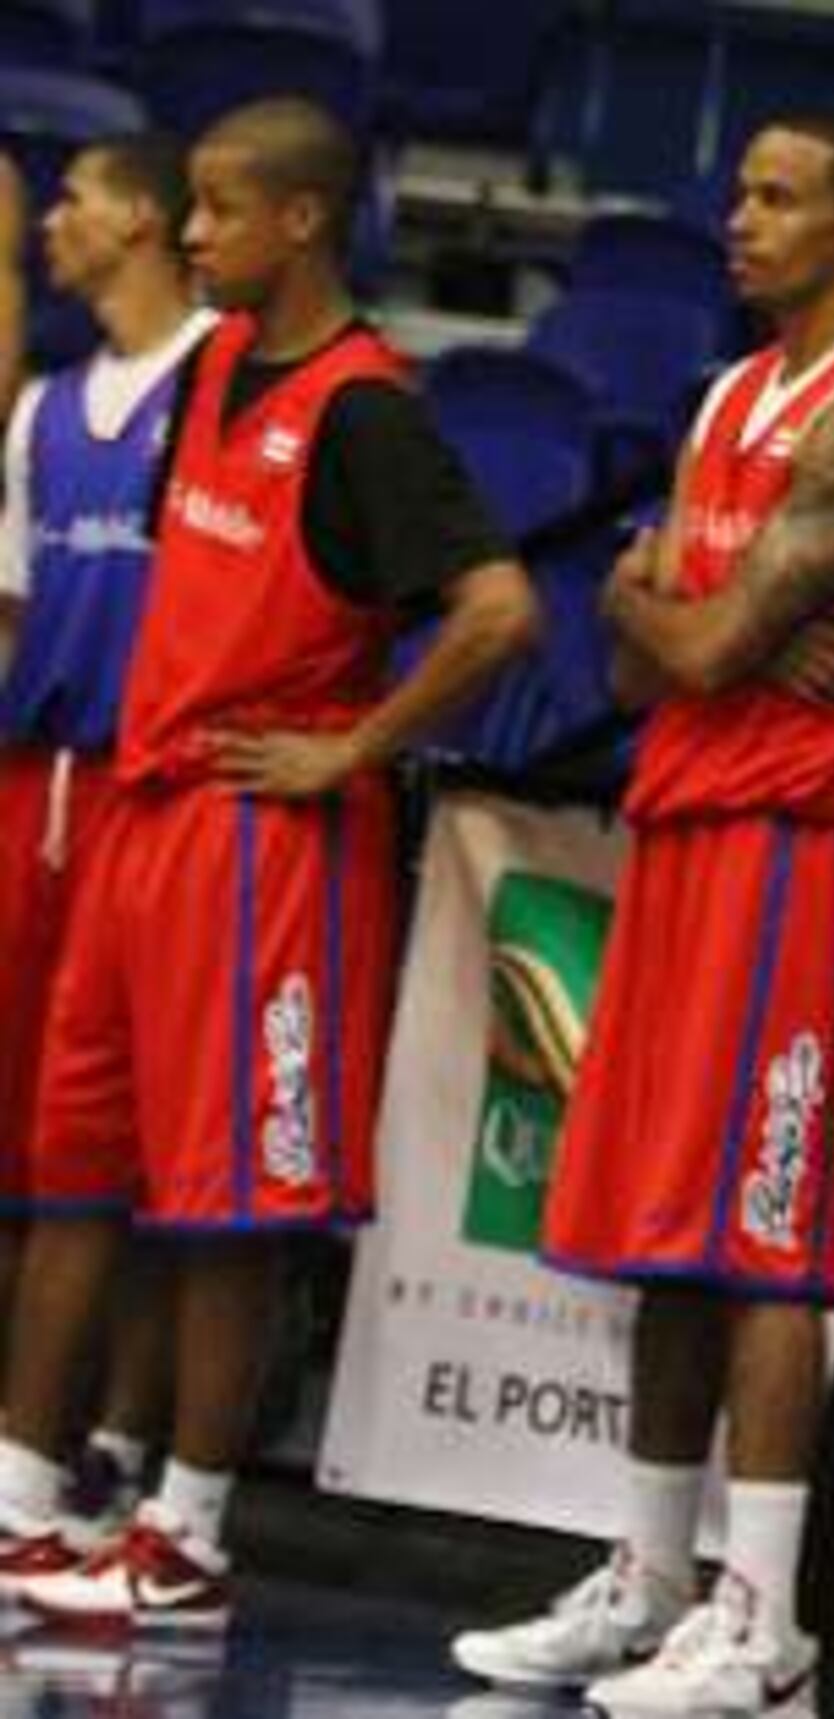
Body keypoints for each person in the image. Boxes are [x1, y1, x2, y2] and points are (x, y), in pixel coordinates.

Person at [0, 95, 541, 1627]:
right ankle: (23, 1502)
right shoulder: (220, 364)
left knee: (229, 1206)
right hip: (139, 815)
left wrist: (351, 748)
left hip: (264, 841)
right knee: (71, 1174)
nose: (190, 233)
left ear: (301, 220)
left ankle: (189, 1532)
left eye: (221, 209)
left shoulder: (369, 406)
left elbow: (502, 614)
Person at [449, 115, 834, 1717]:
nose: (737, 221)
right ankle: (652, 1579)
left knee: (767, 1248)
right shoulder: (733, 398)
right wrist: (666, 620)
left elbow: (716, 638)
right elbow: (640, 662)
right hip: (687, 833)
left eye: (779, 198)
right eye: (738, 193)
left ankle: (768, 1619)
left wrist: (677, 615)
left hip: (800, 858)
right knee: (670, 1235)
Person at [0, 131, 216, 1542]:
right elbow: (18, 614)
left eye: (73, 203)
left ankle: (123, 1451)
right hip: (44, 784)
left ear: (141, 216)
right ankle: (26, 1448)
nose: (55, 227)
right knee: (34, 1136)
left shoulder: (225, 383)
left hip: (168, 796)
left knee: (151, 1153)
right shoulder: (44, 414)